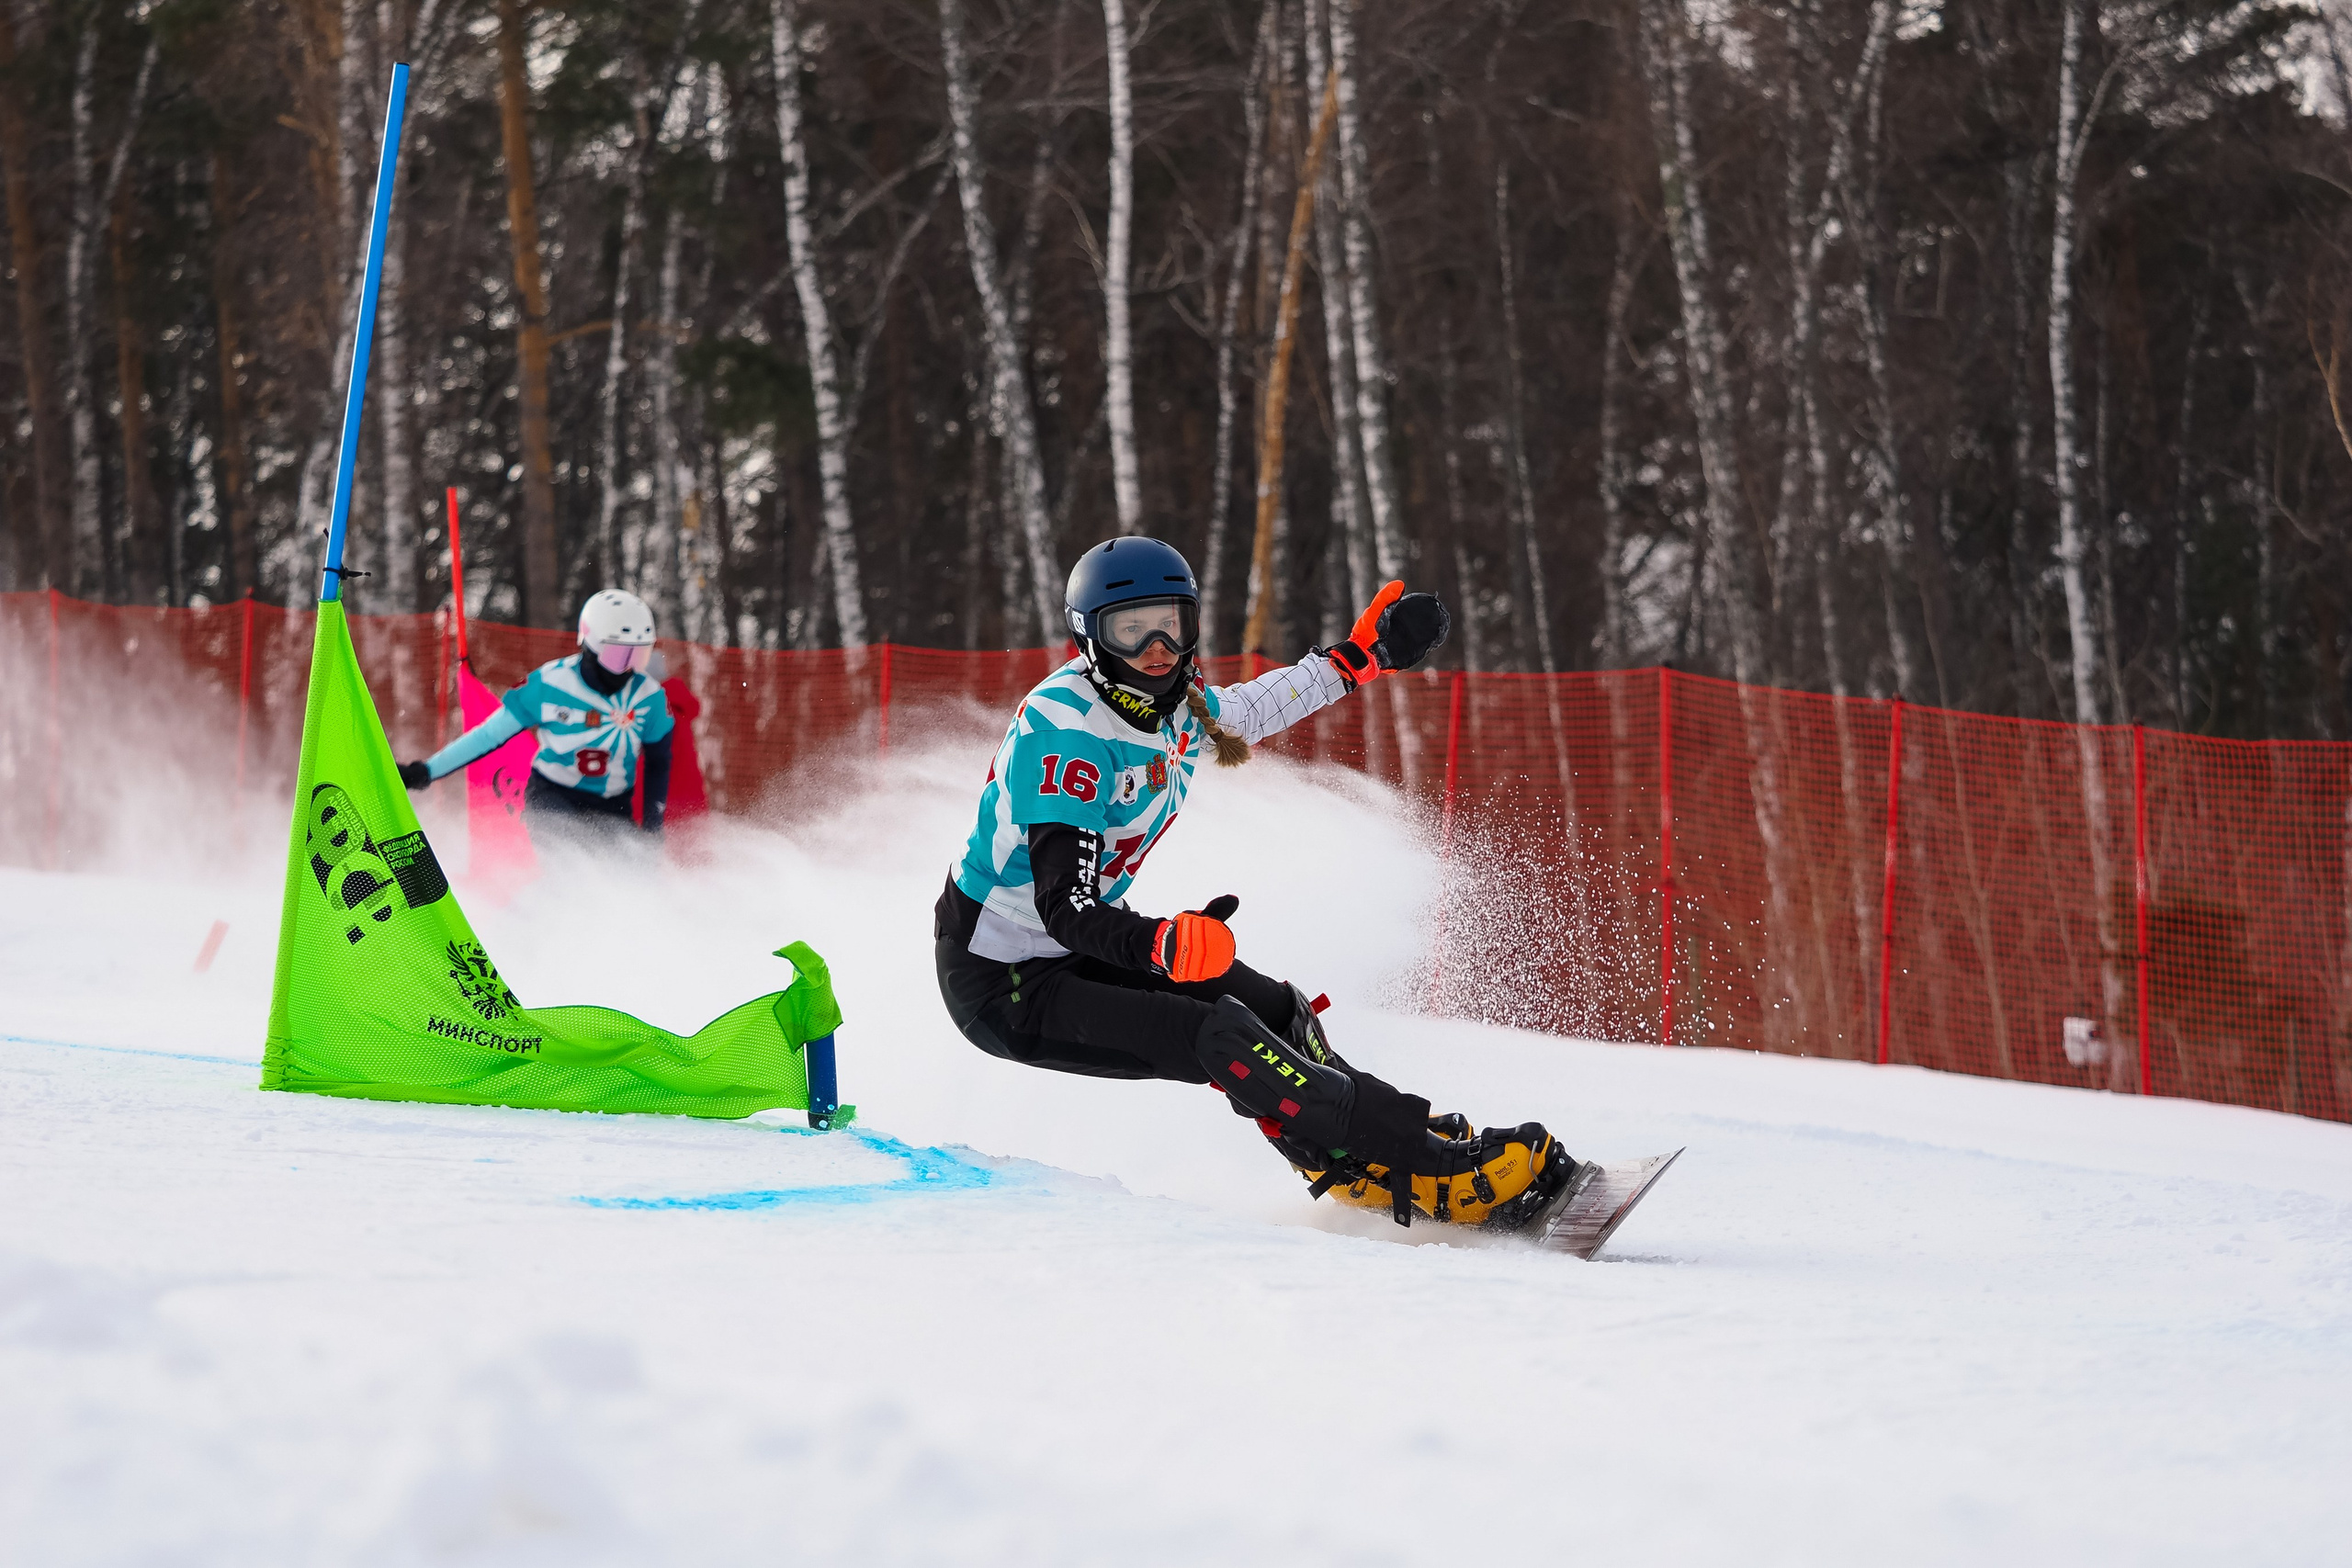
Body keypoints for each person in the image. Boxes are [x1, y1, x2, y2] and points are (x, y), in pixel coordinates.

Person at [933, 537, 1580, 1229]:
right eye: (1131, 628)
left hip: (1070, 945)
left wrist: (1363, 656)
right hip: (1004, 981)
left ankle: (1369, 1155)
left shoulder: (1172, 701)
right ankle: (1426, 1170)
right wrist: (1161, 944)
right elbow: (1064, 906)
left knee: (1275, 1011)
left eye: (1171, 622)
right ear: (1091, 637)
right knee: (1223, 1035)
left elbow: (1248, 711)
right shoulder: (1068, 733)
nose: (1156, 645)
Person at [400, 589, 673, 841]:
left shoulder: (650, 697)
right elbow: (489, 735)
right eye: (618, 656)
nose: (628, 669)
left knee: (627, 878)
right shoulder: (549, 684)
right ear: (590, 644)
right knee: (573, 866)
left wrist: (653, 828)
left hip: (613, 804)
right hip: (553, 798)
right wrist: (426, 771)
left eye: (639, 656)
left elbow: (659, 764)